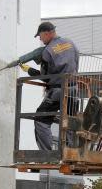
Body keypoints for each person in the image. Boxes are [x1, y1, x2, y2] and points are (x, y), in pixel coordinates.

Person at [23, 21, 79, 151]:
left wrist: (29, 70)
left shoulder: (47, 51)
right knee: (69, 121)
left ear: (47, 33)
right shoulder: (71, 43)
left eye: (40, 36)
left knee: (41, 120)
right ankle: (70, 152)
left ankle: (47, 153)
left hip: (58, 92)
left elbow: (46, 78)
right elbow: (75, 64)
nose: (40, 39)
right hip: (73, 89)